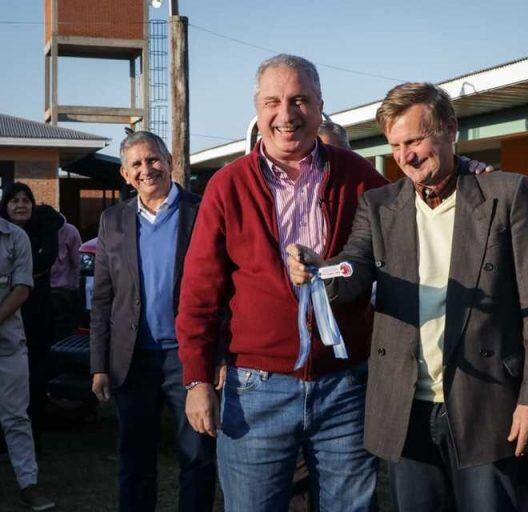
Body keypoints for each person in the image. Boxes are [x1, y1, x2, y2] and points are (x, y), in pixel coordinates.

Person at [288, 82, 528, 511]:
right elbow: (353, 269)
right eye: (395, 146)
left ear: (450, 129)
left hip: (490, 405)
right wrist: (319, 270)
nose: (406, 156)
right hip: (408, 410)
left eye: (414, 140)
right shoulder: (380, 205)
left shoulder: (506, 195)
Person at [176, 54, 389, 512]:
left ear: (320, 107)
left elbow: (410, 207)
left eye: (300, 100)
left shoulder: (357, 176)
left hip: (344, 387)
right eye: (273, 101)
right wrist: (196, 380)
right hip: (255, 390)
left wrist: (466, 171)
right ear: (257, 107)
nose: (287, 114)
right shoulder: (227, 185)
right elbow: (199, 291)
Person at [89, 131, 216, 512]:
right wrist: (99, 364)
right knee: (135, 462)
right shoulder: (113, 221)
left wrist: (220, 356)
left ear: (170, 160)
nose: (147, 169)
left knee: (197, 459)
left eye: (153, 159)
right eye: (137, 165)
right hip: (132, 362)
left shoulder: (201, 211)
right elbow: (102, 298)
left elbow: (224, 289)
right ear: (125, 176)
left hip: (188, 359)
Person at [0, 211, 56, 510]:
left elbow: (22, 289)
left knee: (16, 417)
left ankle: (28, 483)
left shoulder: (15, 237)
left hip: (7, 345)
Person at [0, 183, 61, 450]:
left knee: (34, 380)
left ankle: (33, 438)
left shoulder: (45, 230)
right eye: (14, 200)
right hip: (5, 319)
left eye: (26, 200)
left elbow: (43, 262)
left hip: (36, 317)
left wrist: (14, 274)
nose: (21, 205)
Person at [50, 214, 82, 342]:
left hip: (63, 291)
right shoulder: (70, 230)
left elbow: (78, 263)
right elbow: (78, 263)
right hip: (63, 290)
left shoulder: (69, 231)